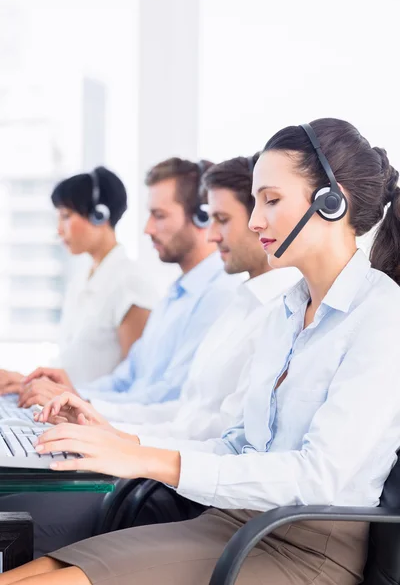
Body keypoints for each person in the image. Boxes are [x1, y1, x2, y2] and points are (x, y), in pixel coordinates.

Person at [4, 117, 400, 585]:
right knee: (24, 574)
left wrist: (149, 461)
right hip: (235, 522)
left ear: (333, 203)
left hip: (305, 550)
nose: (256, 221)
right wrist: (124, 443)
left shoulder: (382, 315)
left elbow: (318, 478)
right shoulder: (285, 312)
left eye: (271, 200)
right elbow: (237, 444)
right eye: (255, 202)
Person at [80, 154, 300, 436]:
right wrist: (96, 418)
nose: (212, 235)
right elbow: (187, 410)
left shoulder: (272, 309)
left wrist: (118, 436)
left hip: (186, 466)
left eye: (221, 219)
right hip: (171, 454)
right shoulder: (239, 302)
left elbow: (223, 434)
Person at [16, 158, 241, 412]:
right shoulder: (175, 294)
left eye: (159, 215)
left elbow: (169, 399)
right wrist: (73, 395)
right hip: (125, 421)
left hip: (147, 434)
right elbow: (129, 377)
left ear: (202, 217)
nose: (147, 229)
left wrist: (85, 404)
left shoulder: (218, 296)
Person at [0, 167, 158, 389]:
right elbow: (74, 369)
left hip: (97, 415)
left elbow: (135, 383)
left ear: (99, 215)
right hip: (68, 407)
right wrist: (23, 381)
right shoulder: (82, 281)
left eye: (65, 216)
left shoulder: (130, 284)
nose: (58, 229)